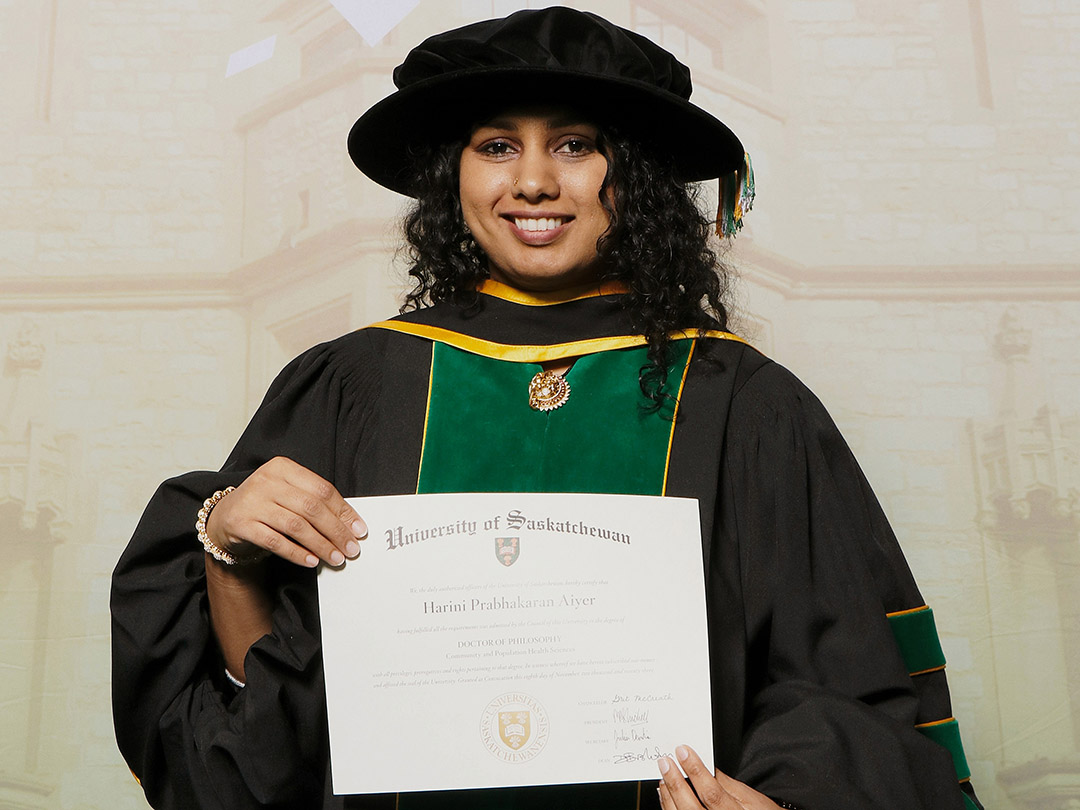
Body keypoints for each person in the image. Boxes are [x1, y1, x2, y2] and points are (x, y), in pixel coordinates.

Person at [112, 8, 982, 810]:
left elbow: (845, 685)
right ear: (453, 175)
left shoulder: (742, 403)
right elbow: (264, 742)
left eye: (573, 146)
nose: (531, 181)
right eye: (496, 146)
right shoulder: (357, 383)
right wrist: (225, 547)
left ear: (629, 177)